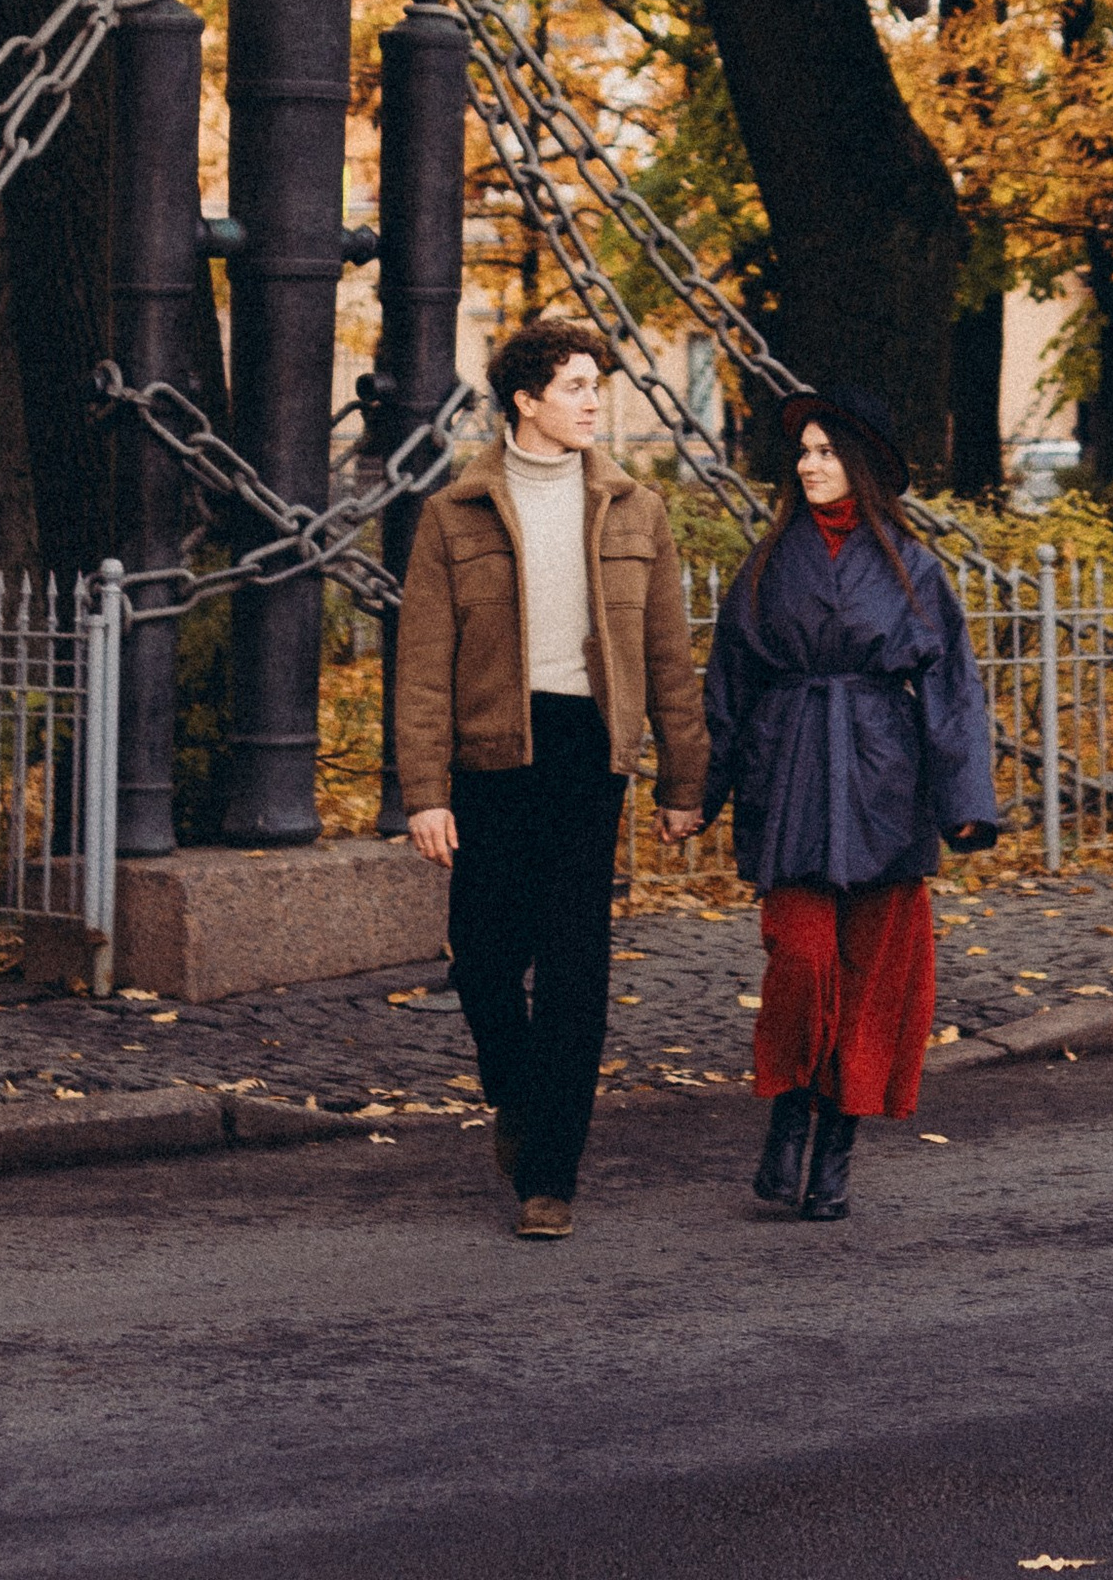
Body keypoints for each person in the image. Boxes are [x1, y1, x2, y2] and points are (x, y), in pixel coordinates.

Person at [395, 315, 706, 1240]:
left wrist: (684, 780)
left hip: (587, 754)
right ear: (525, 401)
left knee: (576, 968)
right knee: (484, 957)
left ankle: (549, 1178)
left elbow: (667, 659)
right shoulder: (455, 514)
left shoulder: (634, 509)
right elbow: (420, 666)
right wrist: (426, 792)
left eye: (594, 385)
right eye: (574, 387)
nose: (591, 403)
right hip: (491, 755)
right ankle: (519, 1094)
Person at [702, 379, 1000, 1223]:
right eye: (803, 453)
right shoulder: (767, 563)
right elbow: (727, 686)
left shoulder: (915, 568)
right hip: (789, 768)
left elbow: (952, 690)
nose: (810, 466)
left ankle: (835, 1147)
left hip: (883, 778)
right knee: (802, 957)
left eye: (827, 452)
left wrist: (963, 799)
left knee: (873, 977)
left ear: (862, 464)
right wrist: (699, 793)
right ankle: (789, 1110)